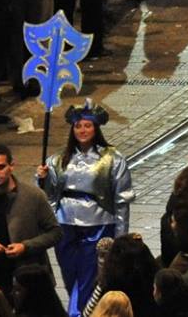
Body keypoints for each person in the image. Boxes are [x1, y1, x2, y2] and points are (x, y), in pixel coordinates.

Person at [36, 101, 133, 316]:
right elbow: (50, 196)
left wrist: (120, 238)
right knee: (70, 276)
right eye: (78, 126)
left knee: (89, 280)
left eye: (87, 126)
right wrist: (43, 179)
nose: (83, 130)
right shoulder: (57, 160)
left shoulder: (113, 159)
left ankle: (78, 314)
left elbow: (121, 201)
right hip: (65, 225)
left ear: (96, 128)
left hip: (99, 225)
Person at [0, 145, 59, 293]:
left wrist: (25, 246)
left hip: (29, 277)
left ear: (11, 166)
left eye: (1, 167)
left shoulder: (34, 196)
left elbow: (55, 233)